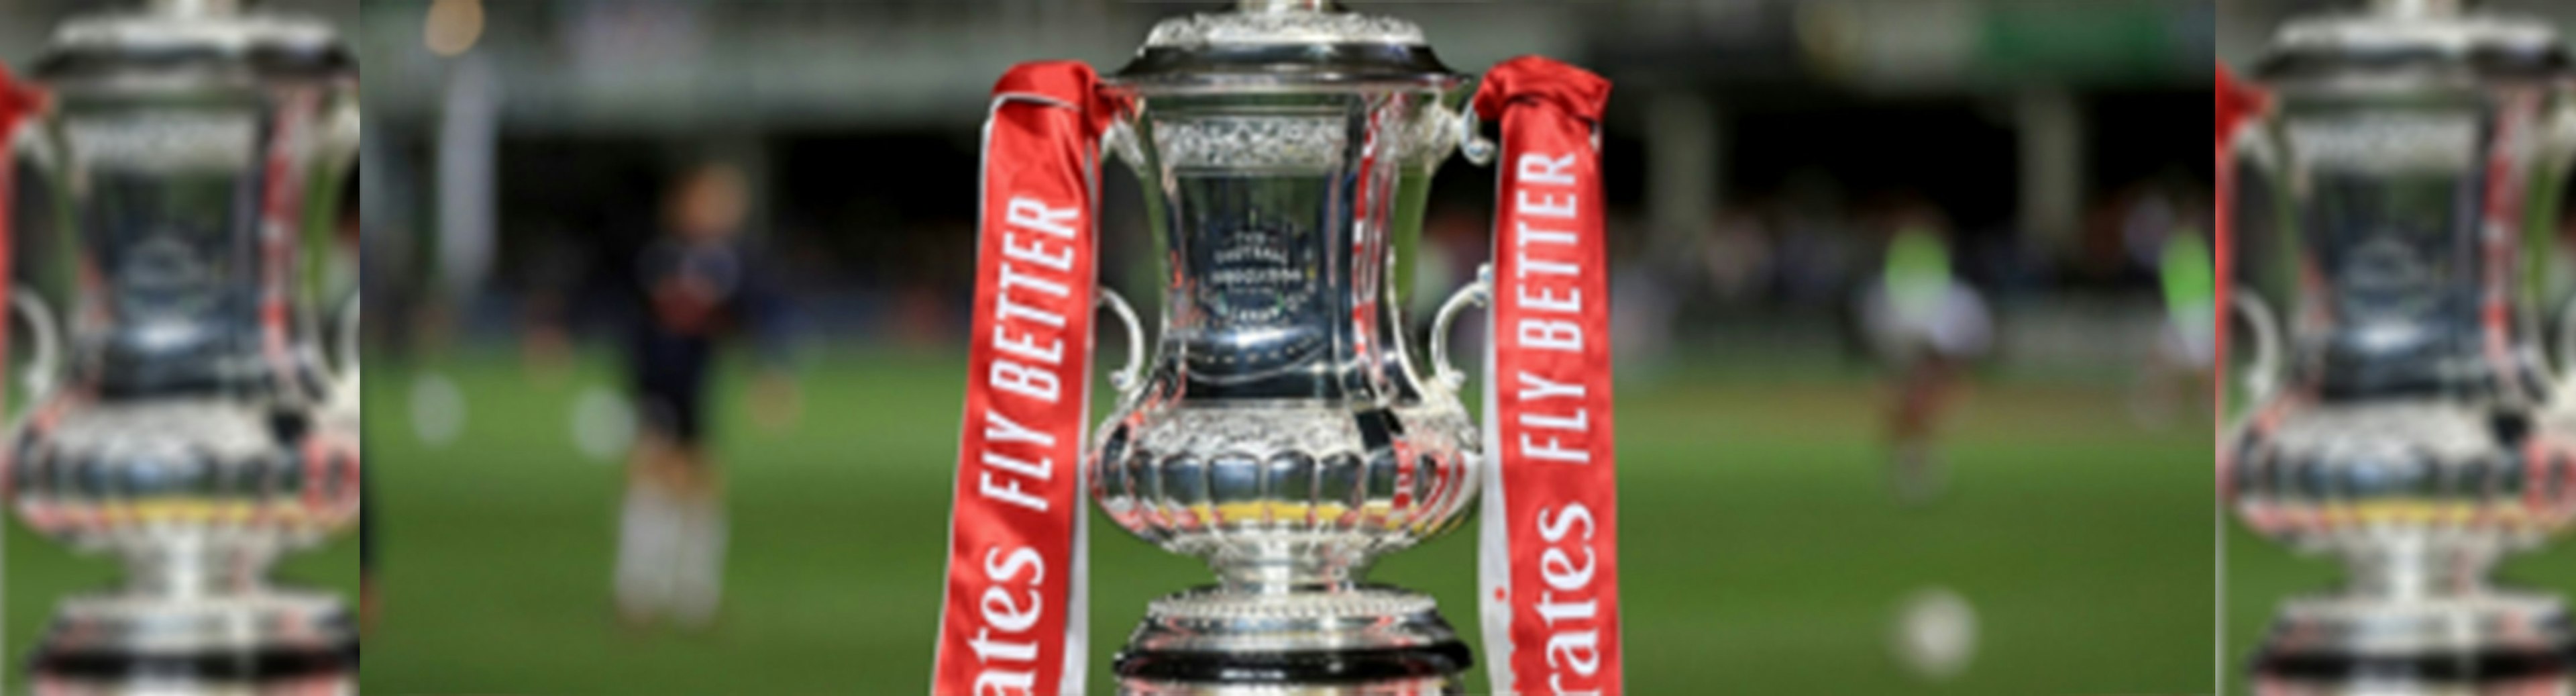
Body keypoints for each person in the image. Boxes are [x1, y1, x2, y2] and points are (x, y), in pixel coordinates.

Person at [530, 162, 795, 630]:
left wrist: (769, 373)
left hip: (698, 385)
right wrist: (560, 328)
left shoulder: (732, 262)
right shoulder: (651, 253)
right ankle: (639, 591)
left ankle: (694, 595)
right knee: (651, 477)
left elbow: (762, 314)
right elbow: (603, 290)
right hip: (652, 380)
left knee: (701, 485)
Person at [1859, 226, 1992, 505]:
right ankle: (1913, 466)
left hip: (1939, 370)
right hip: (1906, 369)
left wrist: (1942, 369)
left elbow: (1968, 347)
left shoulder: (1957, 299)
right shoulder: (1884, 296)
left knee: (1919, 417)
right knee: (1903, 418)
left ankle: (1919, 466)